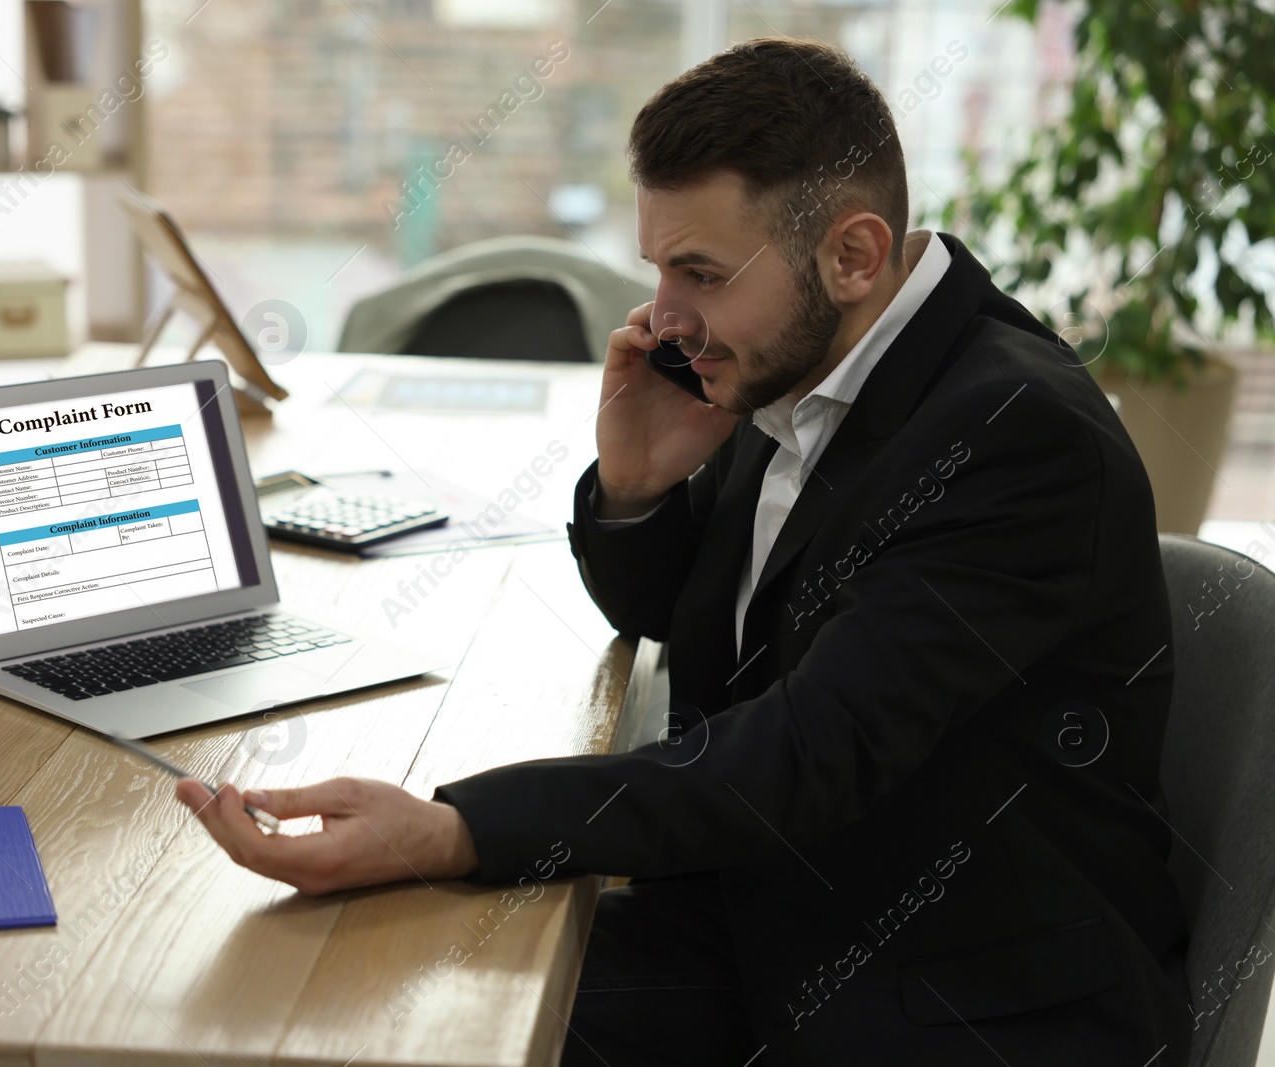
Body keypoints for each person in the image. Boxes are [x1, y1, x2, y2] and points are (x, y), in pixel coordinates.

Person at [176, 37, 1191, 1066]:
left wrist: (455, 828)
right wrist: (637, 482)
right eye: (658, 267)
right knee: (378, 1004)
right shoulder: (802, 353)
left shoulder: (1013, 434)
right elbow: (687, 621)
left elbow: (800, 754)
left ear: (852, 254)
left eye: (698, 273)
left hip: (955, 995)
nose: (662, 316)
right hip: (774, 912)